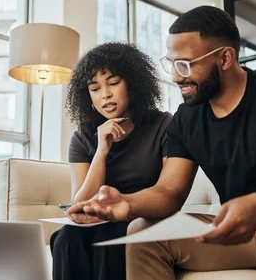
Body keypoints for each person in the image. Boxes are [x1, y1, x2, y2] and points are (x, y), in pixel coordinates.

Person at [67, 5, 256, 280]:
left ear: (226, 58)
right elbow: (169, 192)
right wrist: (126, 203)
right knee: (142, 231)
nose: (176, 77)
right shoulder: (186, 118)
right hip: (235, 232)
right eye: (170, 64)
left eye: (185, 64)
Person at [50, 42, 172, 280]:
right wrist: (101, 151)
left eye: (113, 83)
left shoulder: (162, 125)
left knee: (109, 238)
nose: (105, 94)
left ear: (133, 84)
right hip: (99, 220)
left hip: (143, 216)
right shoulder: (82, 137)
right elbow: (82, 202)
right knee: (65, 238)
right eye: (95, 89)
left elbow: (168, 192)